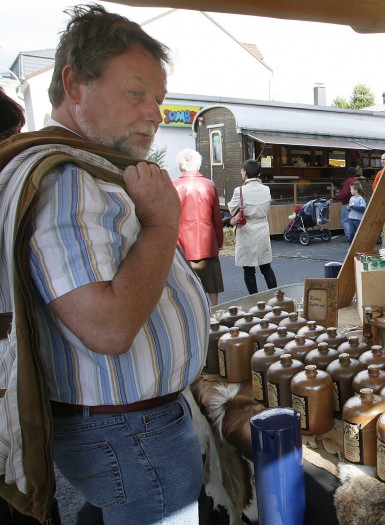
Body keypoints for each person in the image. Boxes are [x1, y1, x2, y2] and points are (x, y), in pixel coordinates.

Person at [0, 5, 209, 524]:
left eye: (158, 98)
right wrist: (161, 222)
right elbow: (108, 326)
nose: (155, 113)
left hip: (132, 429)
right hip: (130, 433)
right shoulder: (67, 180)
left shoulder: (89, 171)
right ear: (75, 84)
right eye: (136, 93)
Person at [173, 148, 225, 305]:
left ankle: (194, 311)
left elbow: (170, 218)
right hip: (207, 241)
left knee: (186, 284)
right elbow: (217, 218)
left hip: (182, 243)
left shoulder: (174, 186)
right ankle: (215, 311)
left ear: (180, 165)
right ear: (198, 165)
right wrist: (219, 241)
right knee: (212, 282)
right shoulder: (209, 185)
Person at [229, 159, 278, 294]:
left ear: (245, 172)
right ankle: (276, 297)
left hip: (246, 229)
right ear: (259, 173)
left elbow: (232, 209)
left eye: (242, 170)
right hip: (262, 227)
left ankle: (254, 300)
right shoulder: (266, 189)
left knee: (249, 269)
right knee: (266, 267)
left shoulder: (239, 190)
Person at [332, 166, 358, 241]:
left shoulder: (348, 181)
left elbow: (344, 193)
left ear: (347, 173)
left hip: (347, 203)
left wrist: (335, 197)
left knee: (345, 220)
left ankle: (349, 236)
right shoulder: (356, 180)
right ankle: (354, 235)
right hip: (355, 203)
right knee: (353, 220)